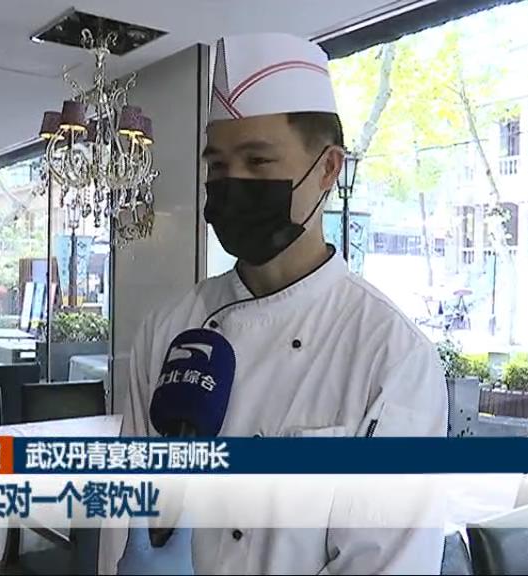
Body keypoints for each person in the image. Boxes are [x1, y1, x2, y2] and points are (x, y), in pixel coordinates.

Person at [103, 33, 448, 575]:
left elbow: (388, 564)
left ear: (328, 169)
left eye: (258, 161)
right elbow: (137, 511)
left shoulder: (391, 358)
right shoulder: (167, 330)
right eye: (218, 166)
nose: (233, 184)